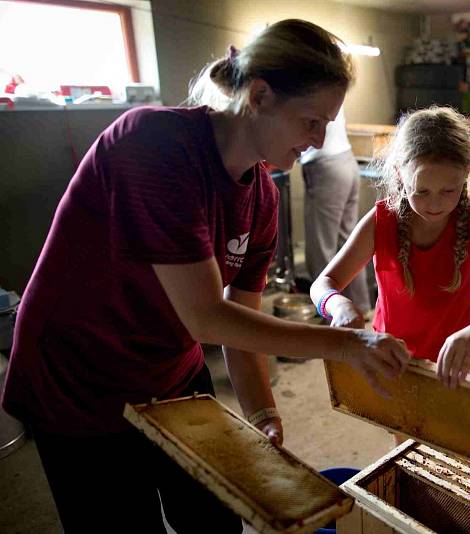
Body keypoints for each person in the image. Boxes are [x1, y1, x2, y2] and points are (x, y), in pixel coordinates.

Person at [1, 19, 408, 534]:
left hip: (167, 366)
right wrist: (346, 345)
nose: (319, 139)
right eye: (311, 121)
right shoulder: (154, 144)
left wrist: (262, 414)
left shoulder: (262, 197)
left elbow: (240, 324)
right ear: (259, 95)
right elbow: (206, 318)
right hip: (80, 373)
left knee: (214, 517)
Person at [311, 106, 470, 389]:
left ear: (466, 175)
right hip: (390, 360)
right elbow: (323, 284)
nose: (435, 204)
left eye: (449, 190)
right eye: (421, 191)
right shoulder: (381, 221)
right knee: (405, 430)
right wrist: (338, 305)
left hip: (451, 363)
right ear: (399, 174)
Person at [301, 109, 371, 314]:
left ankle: (330, 318)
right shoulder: (323, 84)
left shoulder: (304, 85)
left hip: (326, 167)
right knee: (350, 246)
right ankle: (360, 310)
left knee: (321, 248)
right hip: (346, 160)